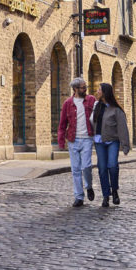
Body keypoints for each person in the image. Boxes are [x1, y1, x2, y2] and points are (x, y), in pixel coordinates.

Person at [58, 77, 96, 208]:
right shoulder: (68, 103)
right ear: (75, 89)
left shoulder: (91, 100)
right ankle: (79, 197)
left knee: (86, 166)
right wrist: (61, 140)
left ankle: (89, 186)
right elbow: (62, 123)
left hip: (87, 138)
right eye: (82, 87)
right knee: (75, 170)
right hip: (73, 140)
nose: (85, 89)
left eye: (85, 87)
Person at [91, 83, 131, 208]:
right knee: (102, 169)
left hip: (112, 141)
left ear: (105, 92)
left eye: (99, 90)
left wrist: (125, 145)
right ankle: (105, 196)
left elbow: (122, 128)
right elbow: (92, 122)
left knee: (112, 166)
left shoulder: (116, 110)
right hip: (99, 142)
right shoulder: (97, 106)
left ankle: (114, 190)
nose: (97, 91)